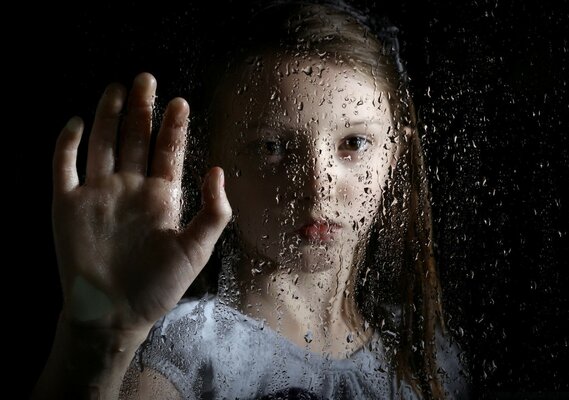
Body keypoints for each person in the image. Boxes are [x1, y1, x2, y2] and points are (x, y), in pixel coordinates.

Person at [33, 1, 469, 399]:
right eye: (271, 147)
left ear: (393, 154)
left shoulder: (424, 358)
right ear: (210, 159)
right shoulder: (191, 349)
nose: (317, 187)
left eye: (354, 142)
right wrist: (103, 338)